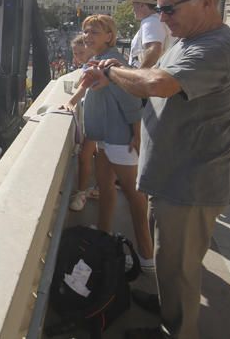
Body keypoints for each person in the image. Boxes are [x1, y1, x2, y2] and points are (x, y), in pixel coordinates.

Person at [79, 0, 230, 339]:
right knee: (171, 262)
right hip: (173, 177)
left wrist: (111, 72)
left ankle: (176, 330)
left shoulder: (215, 48)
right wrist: (117, 76)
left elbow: (157, 84)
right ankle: (168, 307)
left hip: (190, 183)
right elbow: (150, 82)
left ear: (206, 2)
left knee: (181, 269)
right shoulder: (191, 39)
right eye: (159, 10)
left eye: (169, 9)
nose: (162, 18)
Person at [77, 14, 154, 270]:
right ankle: (104, 234)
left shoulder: (114, 63)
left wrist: (136, 133)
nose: (88, 36)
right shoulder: (96, 60)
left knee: (134, 196)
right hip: (104, 138)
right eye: (86, 31)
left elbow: (131, 100)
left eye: (95, 31)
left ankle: (146, 255)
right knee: (106, 188)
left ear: (109, 35)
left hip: (120, 139)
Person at [63, 35, 98, 211]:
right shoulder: (90, 64)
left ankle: (82, 193)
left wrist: (71, 102)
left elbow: (83, 86)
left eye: (81, 52)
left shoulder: (95, 64)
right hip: (96, 117)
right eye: (75, 53)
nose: (77, 57)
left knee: (85, 157)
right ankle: (95, 189)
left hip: (100, 120)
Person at [124, 0, 171, 69]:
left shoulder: (150, 21)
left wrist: (139, 76)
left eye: (134, 5)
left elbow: (154, 50)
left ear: (142, 5)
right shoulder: (155, 20)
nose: (132, 10)